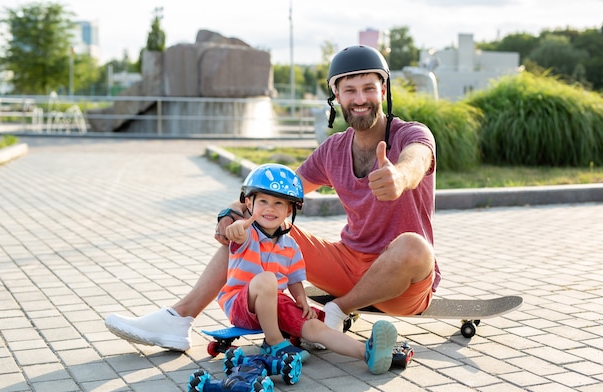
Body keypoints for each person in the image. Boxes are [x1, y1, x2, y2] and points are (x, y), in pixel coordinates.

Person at [105, 44, 440, 356]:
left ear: (383, 90)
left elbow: (417, 160)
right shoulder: (333, 149)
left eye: (369, 88)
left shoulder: (412, 134)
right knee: (254, 227)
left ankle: (337, 310)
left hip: (400, 284)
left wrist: (399, 177)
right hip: (347, 264)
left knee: (414, 246)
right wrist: (233, 213)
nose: (360, 98)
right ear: (336, 96)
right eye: (349, 90)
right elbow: (275, 194)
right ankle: (179, 319)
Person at [216, 163, 397, 374]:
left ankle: (367, 353)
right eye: (263, 201)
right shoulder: (248, 235)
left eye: (278, 203)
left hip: (274, 302)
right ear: (249, 202)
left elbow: (294, 279)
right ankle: (275, 344)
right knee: (267, 279)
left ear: (289, 210)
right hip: (241, 304)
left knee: (313, 325)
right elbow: (235, 234)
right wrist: (236, 228)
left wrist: (302, 301)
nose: (270, 208)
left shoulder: (290, 245)